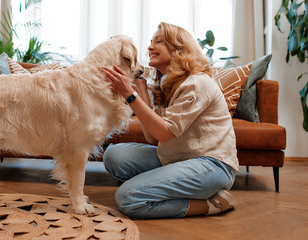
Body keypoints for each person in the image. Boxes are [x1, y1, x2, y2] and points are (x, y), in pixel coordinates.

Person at [101, 22, 238, 218]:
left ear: (178, 49)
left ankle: (213, 203)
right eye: (150, 42)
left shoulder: (197, 83)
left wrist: (129, 94)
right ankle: (162, 185)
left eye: (159, 41)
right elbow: (152, 138)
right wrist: (140, 92)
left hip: (212, 166)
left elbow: (164, 134)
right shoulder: (167, 85)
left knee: (128, 198)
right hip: (177, 158)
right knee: (114, 155)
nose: (149, 47)